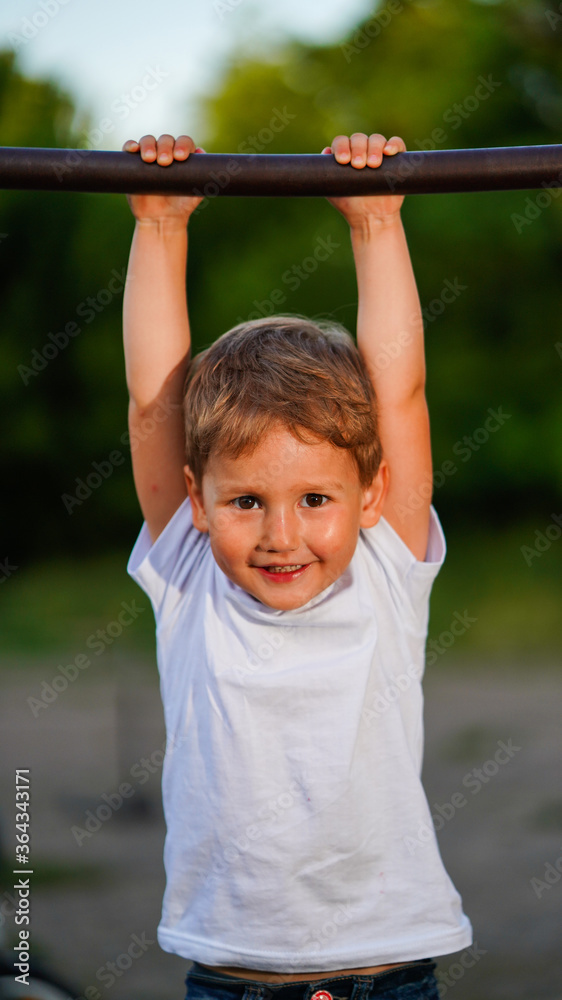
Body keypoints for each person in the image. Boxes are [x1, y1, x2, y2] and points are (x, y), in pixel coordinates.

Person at [121, 131, 472, 1000]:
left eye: (315, 499)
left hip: (386, 974)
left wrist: (376, 222)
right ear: (198, 503)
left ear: (368, 494)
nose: (282, 535)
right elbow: (152, 400)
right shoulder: (191, 575)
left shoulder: (385, 568)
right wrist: (161, 225)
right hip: (233, 977)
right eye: (246, 503)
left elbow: (400, 392)